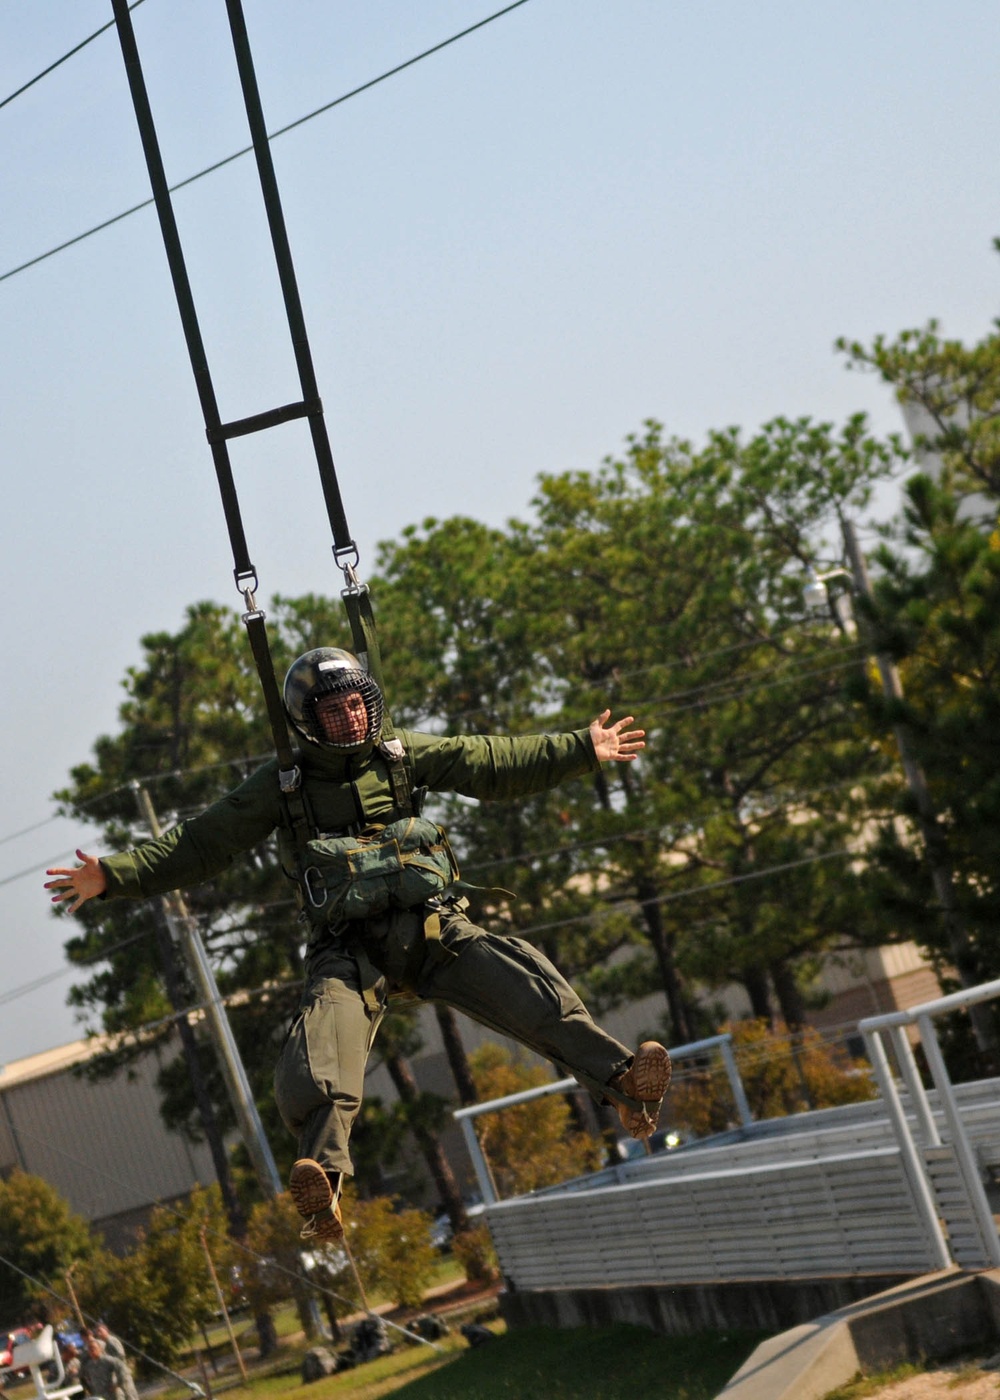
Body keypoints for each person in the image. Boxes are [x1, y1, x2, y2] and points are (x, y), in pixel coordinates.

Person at [46, 648, 671, 1244]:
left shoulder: (400, 755)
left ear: (370, 705)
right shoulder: (283, 786)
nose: (348, 718)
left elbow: (488, 759)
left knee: (524, 983)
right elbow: (201, 841)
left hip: (432, 930)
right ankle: (324, 1194)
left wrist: (580, 748)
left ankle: (626, 1085)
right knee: (322, 1052)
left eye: (355, 705)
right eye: (332, 711)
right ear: (306, 722)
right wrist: (114, 876)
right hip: (348, 951)